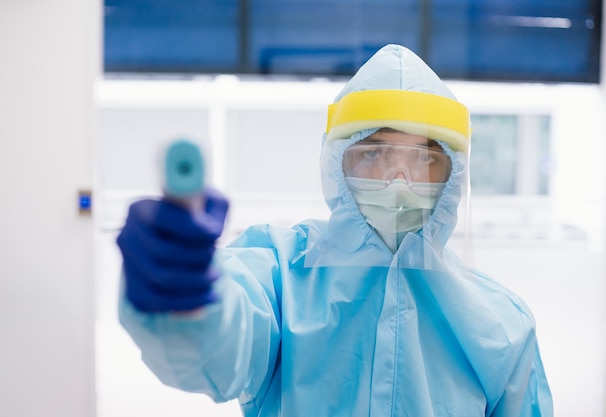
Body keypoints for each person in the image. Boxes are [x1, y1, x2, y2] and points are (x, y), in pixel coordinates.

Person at [117, 44, 553, 416]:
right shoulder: (281, 276)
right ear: (336, 161)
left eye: (424, 158)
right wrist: (190, 294)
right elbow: (221, 346)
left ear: (453, 175)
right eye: (374, 153)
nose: (397, 181)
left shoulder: (502, 325)